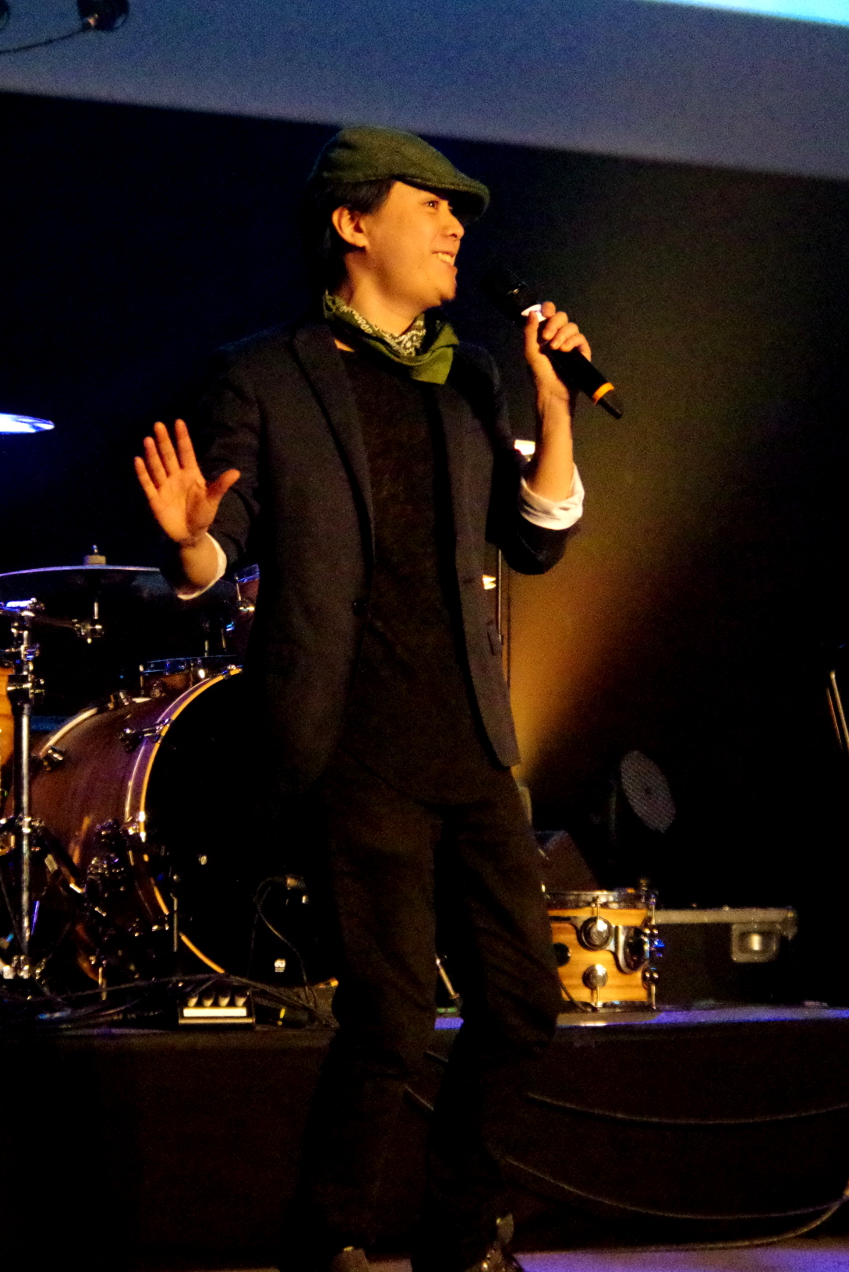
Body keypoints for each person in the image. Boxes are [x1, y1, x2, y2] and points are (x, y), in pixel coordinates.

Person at [134, 125, 590, 1272]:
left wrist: (556, 405)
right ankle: (328, 1240)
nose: (454, 227)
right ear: (351, 223)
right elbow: (224, 539)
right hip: (353, 742)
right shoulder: (265, 375)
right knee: (389, 1016)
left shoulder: (467, 374)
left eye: (459, 212)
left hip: (469, 737)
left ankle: (462, 1230)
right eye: (430, 205)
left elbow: (534, 541)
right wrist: (191, 547)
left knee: (522, 1004)